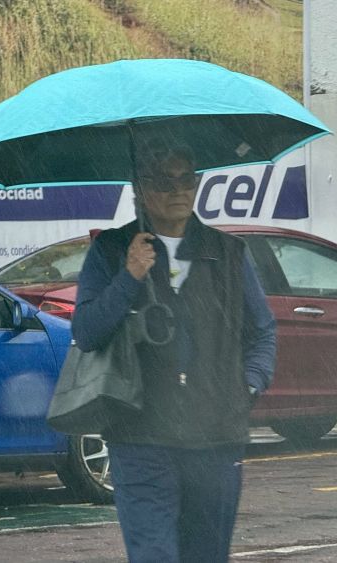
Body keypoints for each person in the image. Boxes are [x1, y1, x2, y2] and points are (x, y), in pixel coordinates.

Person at [72, 139, 276, 563]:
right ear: (140, 188)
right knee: (155, 555)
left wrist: (248, 386)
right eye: (165, 181)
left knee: (206, 555)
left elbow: (263, 334)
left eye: (188, 179)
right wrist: (129, 277)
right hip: (139, 436)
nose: (179, 190)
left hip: (216, 439)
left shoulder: (228, 252)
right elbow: (88, 332)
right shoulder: (111, 251)